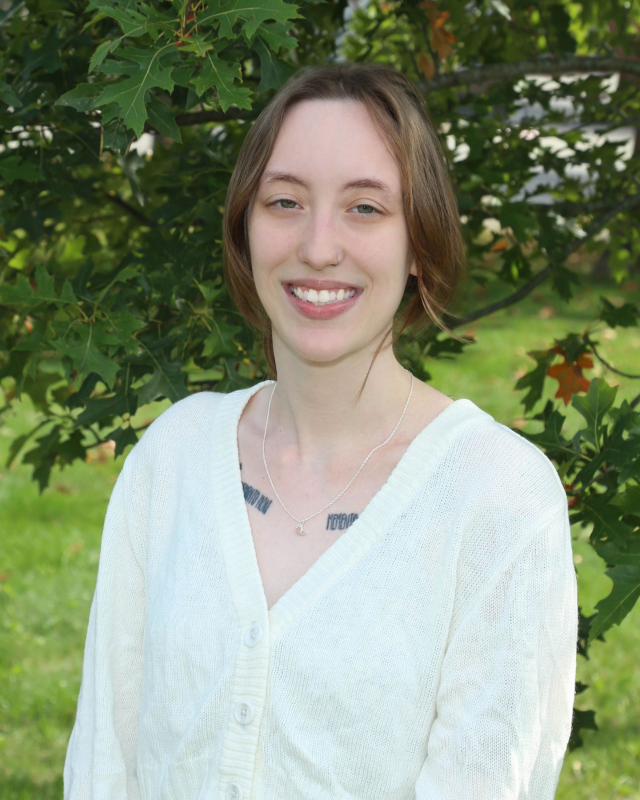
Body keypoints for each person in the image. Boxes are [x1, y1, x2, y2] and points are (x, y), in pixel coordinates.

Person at [63, 62, 578, 800]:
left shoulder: (497, 498)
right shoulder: (172, 457)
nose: (318, 246)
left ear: (420, 243)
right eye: (285, 201)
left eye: (365, 208)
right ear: (245, 225)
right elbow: (103, 763)